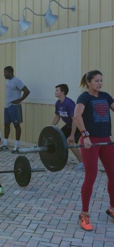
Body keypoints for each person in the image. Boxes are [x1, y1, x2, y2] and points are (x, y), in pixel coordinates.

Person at [73, 70, 114, 231]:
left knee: (113, 174)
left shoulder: (106, 96)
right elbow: (77, 116)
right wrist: (85, 135)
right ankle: (84, 213)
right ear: (88, 82)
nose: (99, 83)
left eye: (101, 80)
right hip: (90, 141)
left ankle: (112, 208)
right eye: (96, 81)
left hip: (106, 140)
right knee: (91, 176)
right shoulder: (84, 97)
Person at [51, 84, 84, 170]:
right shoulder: (58, 103)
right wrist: (51, 128)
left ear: (63, 92)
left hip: (77, 125)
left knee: (70, 143)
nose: (55, 92)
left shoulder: (69, 103)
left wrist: (72, 135)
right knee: (58, 138)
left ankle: (82, 163)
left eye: (57, 90)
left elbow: (74, 120)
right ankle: (60, 160)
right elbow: (57, 116)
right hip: (69, 125)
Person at [0, 66, 30, 152]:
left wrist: (19, 100)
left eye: (5, 72)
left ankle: (16, 145)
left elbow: (27, 91)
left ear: (9, 72)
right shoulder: (7, 81)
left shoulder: (17, 81)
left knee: (16, 126)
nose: (4, 74)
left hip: (15, 107)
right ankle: (5, 144)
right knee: (6, 125)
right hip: (7, 106)